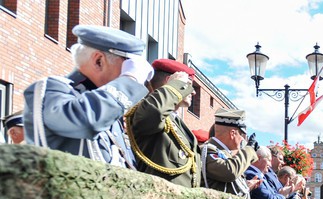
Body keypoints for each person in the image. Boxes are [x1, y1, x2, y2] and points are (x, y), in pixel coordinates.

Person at [23, 24, 152, 167]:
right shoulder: (50, 90)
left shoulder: (107, 104)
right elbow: (85, 121)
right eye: (129, 65)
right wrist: (130, 79)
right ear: (99, 61)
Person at [126, 59, 200, 187]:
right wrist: (175, 86)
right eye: (187, 84)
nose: (193, 92)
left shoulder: (176, 122)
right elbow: (153, 113)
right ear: (170, 82)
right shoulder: (146, 110)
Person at [201, 109, 257, 197]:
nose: (242, 139)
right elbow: (230, 172)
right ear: (232, 134)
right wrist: (249, 150)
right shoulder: (207, 150)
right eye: (241, 134)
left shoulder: (226, 153)